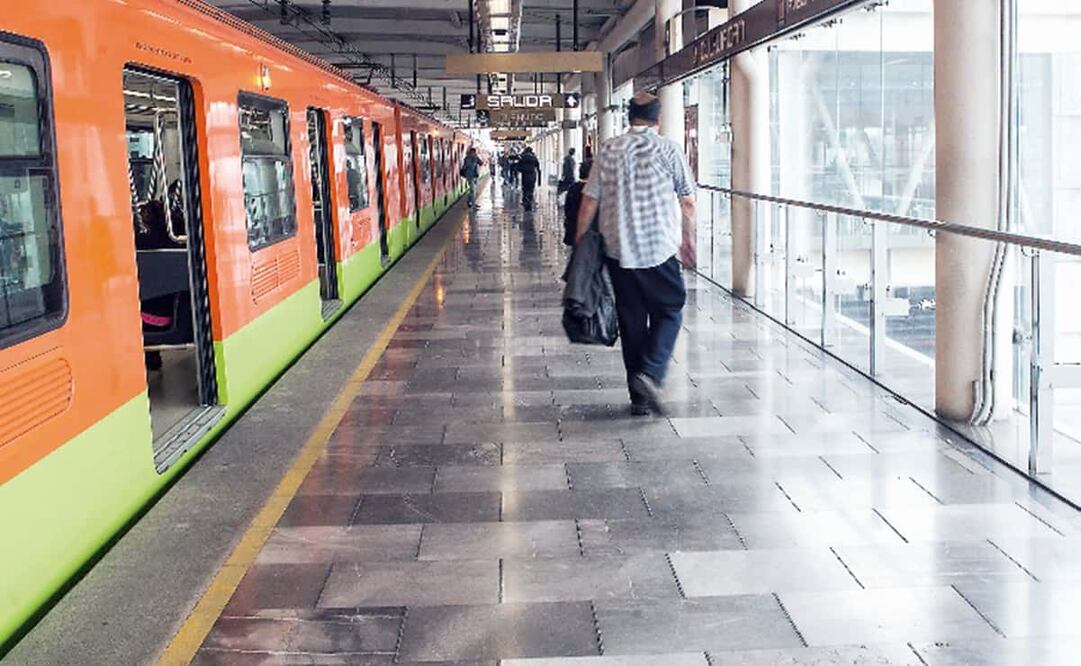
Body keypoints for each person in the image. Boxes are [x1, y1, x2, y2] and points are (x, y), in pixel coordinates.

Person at [575, 91, 696, 416]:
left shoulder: (610, 148)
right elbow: (687, 199)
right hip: (659, 249)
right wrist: (688, 238)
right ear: (658, 119)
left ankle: (638, 398)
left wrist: (580, 241)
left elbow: (590, 199)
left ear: (629, 117)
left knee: (632, 320)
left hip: (619, 251)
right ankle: (651, 373)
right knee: (670, 310)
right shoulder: (669, 149)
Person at [563, 160, 593, 246]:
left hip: (574, 229)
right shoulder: (593, 191)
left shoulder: (573, 188)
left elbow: (567, 209)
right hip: (590, 232)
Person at [517, 146, 541, 211]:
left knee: (525, 188)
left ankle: (526, 200)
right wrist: (539, 181)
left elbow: (518, 167)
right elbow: (538, 168)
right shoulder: (534, 158)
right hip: (532, 175)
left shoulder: (523, 157)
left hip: (525, 175)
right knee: (531, 188)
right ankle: (529, 200)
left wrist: (522, 170)